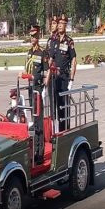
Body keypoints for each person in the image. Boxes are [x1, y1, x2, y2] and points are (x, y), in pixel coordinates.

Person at [20, 25, 48, 165]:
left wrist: (45, 88)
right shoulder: (29, 53)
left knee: (39, 122)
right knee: (34, 120)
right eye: (31, 36)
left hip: (38, 89)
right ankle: (35, 152)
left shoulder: (42, 53)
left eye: (35, 36)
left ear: (39, 36)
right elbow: (27, 69)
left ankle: (39, 153)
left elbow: (46, 72)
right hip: (31, 90)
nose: (32, 38)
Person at [45, 14, 77, 131]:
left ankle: (65, 131)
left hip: (64, 78)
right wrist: (46, 79)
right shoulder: (53, 40)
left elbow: (74, 60)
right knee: (52, 106)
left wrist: (71, 80)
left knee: (63, 107)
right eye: (58, 24)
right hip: (53, 78)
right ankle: (53, 131)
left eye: (62, 24)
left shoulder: (69, 41)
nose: (59, 26)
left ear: (65, 26)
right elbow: (50, 59)